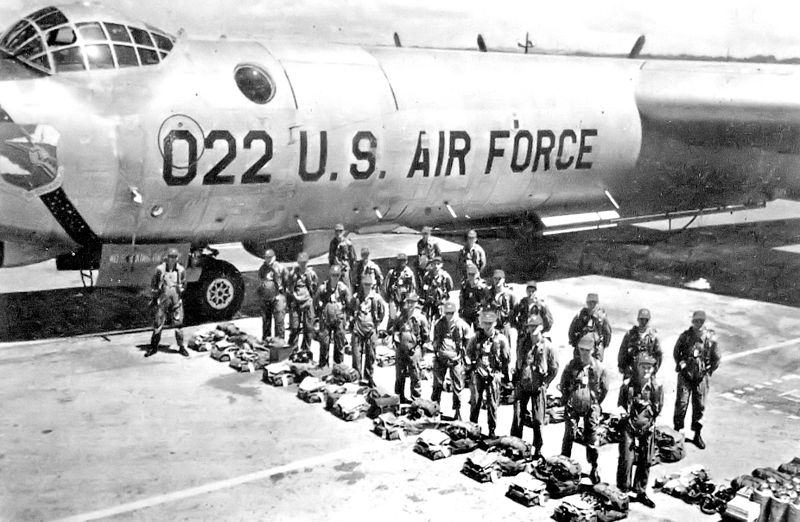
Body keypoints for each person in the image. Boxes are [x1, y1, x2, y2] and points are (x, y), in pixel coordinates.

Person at [560, 332, 609, 484]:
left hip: (591, 405)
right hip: (574, 404)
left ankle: (594, 466)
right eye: (581, 350)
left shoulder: (599, 368)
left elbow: (604, 388)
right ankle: (564, 463)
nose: (584, 353)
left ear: (593, 350)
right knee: (569, 434)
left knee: (591, 436)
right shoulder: (572, 365)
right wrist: (568, 397)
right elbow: (563, 383)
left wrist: (594, 402)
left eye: (587, 350)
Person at [616, 353, 663, 509]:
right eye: (643, 367)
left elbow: (658, 407)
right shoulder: (628, 385)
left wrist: (649, 424)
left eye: (649, 367)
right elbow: (621, 404)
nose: (646, 370)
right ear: (637, 367)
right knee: (626, 458)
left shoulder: (656, 387)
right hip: (629, 425)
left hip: (647, 425)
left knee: (646, 459)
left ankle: (641, 491)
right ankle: (622, 490)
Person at [510, 315, 559, 459]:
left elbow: (554, 368)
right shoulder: (523, 344)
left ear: (541, 328)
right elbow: (518, 362)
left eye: (535, 327)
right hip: (522, 384)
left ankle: (537, 449)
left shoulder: (548, 347)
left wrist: (546, 382)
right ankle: (516, 446)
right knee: (518, 417)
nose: (532, 330)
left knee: (538, 420)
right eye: (530, 327)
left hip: (538, 387)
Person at [673, 310, 721, 450]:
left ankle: (697, 434)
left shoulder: (710, 339)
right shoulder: (686, 336)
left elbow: (716, 357)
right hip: (685, 375)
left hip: (701, 377)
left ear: (704, 322)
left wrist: (709, 370)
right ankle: (677, 431)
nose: (698, 323)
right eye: (696, 321)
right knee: (681, 403)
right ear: (692, 321)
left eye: (701, 321)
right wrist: (681, 364)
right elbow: (677, 352)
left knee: (699, 405)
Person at [466, 310, 511, 437]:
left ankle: (492, 430)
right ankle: (472, 427)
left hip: (493, 374)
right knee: (475, 401)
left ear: (495, 323)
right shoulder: (476, 338)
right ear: (481, 323)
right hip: (478, 373)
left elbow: (507, 358)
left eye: (490, 323)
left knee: (492, 403)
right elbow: (469, 353)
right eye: (485, 323)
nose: (487, 326)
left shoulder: (501, 340)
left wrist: (497, 371)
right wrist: (475, 364)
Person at [431, 300, 472, 420]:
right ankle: (435, 408)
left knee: (458, 387)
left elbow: (468, 343)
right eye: (447, 313)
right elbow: (435, 340)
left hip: (456, 358)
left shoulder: (463, 325)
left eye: (451, 313)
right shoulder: (439, 323)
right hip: (441, 357)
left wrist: (462, 357)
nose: (449, 316)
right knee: (437, 384)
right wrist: (437, 353)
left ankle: (457, 412)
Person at [146, 248, 187, 357]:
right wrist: (154, 298)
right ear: (167, 258)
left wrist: (180, 289)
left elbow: (184, 284)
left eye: (174, 257)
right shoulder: (160, 269)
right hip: (163, 300)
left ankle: (181, 347)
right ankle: (153, 347)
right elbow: (154, 285)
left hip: (176, 300)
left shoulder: (181, 270)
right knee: (158, 323)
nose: (172, 259)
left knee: (179, 324)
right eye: (170, 257)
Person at [390, 292, 429, 402]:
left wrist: (422, 352)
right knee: (399, 376)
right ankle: (399, 398)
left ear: (416, 303)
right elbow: (395, 329)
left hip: (414, 349)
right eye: (408, 302)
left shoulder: (421, 318)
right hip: (401, 349)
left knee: (415, 375)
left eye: (413, 302)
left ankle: (416, 399)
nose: (410, 304)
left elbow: (425, 336)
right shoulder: (400, 316)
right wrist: (396, 339)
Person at [350, 273, 387, 386]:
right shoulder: (356, 298)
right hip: (358, 328)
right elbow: (350, 309)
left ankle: (368, 376)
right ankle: (356, 376)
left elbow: (382, 312)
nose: (367, 286)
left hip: (371, 330)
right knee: (356, 354)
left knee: (371, 354)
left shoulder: (376, 298)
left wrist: (377, 322)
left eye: (369, 284)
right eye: (365, 284)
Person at [314, 265, 351, 368]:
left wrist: (347, 317)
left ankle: (338, 365)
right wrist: (319, 313)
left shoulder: (343, 288)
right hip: (326, 317)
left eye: (337, 275)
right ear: (329, 275)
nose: (334, 277)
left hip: (339, 317)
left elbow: (349, 303)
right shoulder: (323, 287)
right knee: (324, 342)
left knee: (339, 341)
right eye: (333, 275)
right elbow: (315, 300)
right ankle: (323, 364)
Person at [286, 252, 318, 356]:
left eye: (304, 263)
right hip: (296, 302)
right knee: (294, 327)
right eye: (301, 263)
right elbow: (289, 288)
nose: (302, 265)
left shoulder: (311, 274)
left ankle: (306, 350)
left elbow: (315, 287)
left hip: (307, 302)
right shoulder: (293, 274)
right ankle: (293, 349)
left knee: (308, 328)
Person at [617, 308, 663, 379]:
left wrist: (654, 369)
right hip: (631, 370)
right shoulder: (630, 334)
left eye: (646, 320)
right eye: (642, 319)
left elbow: (659, 354)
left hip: (648, 370)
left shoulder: (654, 336)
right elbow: (622, 352)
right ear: (638, 319)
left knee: (656, 387)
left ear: (649, 320)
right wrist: (622, 366)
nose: (644, 322)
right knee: (626, 387)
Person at [568, 292, 612, 361]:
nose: (591, 305)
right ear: (587, 303)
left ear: (597, 303)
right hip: (582, 344)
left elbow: (607, 332)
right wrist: (574, 342)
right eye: (589, 302)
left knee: (597, 367)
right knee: (577, 363)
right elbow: (572, 330)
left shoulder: (602, 316)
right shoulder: (580, 315)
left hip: (596, 346)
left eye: (594, 303)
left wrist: (603, 344)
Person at [257, 248, 287, 341]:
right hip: (266, 298)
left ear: (274, 257)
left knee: (279, 321)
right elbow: (261, 280)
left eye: (270, 258)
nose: (268, 260)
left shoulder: (280, 268)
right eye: (266, 258)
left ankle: (279, 341)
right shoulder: (263, 268)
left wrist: (282, 295)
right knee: (266, 321)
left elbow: (286, 282)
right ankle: (267, 340)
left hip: (278, 297)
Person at [483, 269, 516, 345]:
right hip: (492, 326)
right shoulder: (489, 294)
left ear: (503, 280)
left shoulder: (510, 294)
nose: (497, 281)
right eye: (495, 278)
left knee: (505, 350)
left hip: (505, 326)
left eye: (499, 279)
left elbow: (515, 309)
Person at [421, 255, 453, 324]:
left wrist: (443, 294)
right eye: (434, 264)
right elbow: (423, 286)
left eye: (438, 264)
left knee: (440, 321)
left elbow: (450, 287)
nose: (436, 266)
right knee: (427, 321)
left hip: (440, 302)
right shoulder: (427, 275)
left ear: (441, 265)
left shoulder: (445, 276)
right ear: (431, 264)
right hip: (429, 302)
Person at [385, 253, 417, 321]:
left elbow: (413, 287)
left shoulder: (409, 273)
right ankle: (390, 330)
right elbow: (386, 285)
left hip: (405, 298)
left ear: (406, 261)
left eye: (403, 260)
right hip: (394, 297)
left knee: (405, 318)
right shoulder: (392, 272)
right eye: (400, 261)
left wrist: (409, 299)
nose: (401, 263)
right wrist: (388, 296)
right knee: (392, 317)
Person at [459, 261, 487, 329]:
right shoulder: (465, 285)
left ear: (477, 274)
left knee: (479, 334)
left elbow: (485, 304)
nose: (471, 276)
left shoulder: (482, 287)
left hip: (477, 314)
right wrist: (461, 311)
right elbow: (462, 299)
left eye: (473, 274)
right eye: (469, 274)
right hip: (466, 313)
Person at [328, 223, 356, 290]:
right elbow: (331, 256)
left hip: (344, 268)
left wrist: (351, 267)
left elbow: (352, 257)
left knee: (346, 286)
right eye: (337, 231)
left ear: (343, 232)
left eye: (340, 231)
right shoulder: (332, 243)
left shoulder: (348, 243)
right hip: (335, 268)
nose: (338, 233)